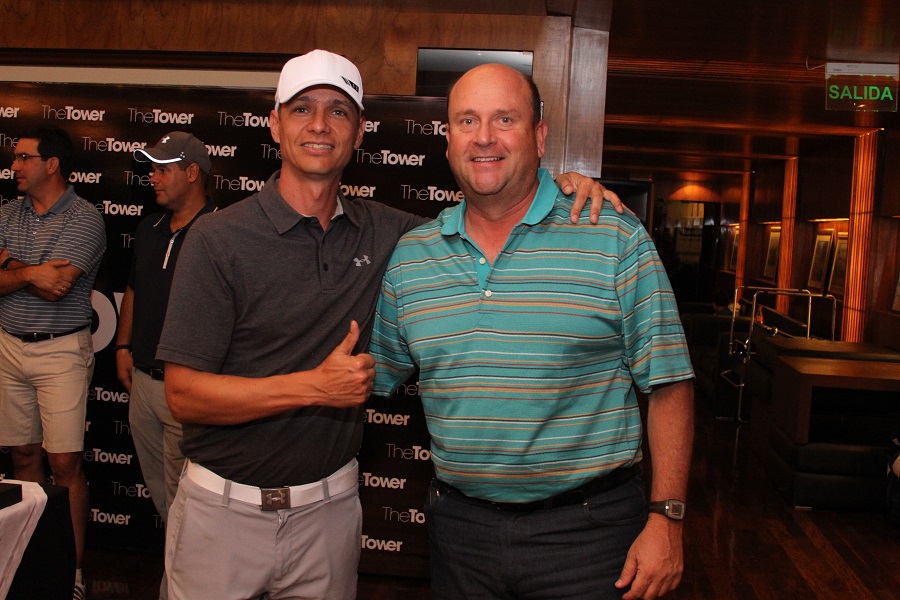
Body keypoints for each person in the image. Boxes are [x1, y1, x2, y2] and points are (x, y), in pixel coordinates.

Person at [155, 49, 619, 600]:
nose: (320, 125)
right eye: (302, 109)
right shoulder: (216, 240)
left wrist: (560, 186)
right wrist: (312, 388)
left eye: (338, 111)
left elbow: (489, 212)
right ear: (275, 125)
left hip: (328, 513)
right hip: (222, 511)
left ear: (360, 133)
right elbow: (183, 396)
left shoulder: (394, 236)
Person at [369, 63, 695, 600]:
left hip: (590, 537)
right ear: (448, 141)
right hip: (460, 537)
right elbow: (368, 375)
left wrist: (668, 518)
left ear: (540, 136)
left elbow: (670, 383)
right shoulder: (413, 257)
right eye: (467, 120)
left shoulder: (612, 236)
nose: (484, 137)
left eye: (505, 119)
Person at [0, 125, 107, 600]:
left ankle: (70, 574)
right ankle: (28, 567)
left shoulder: (84, 218)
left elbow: (58, 286)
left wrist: (10, 266)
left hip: (61, 349)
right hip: (8, 345)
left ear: (52, 164)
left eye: (23, 158)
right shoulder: (7, 213)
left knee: (64, 464)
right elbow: (39, 279)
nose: (14, 166)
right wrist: (32, 273)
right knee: (23, 457)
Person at [114, 131, 217, 599]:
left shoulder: (221, 231)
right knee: (165, 499)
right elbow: (134, 288)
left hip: (187, 389)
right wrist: (123, 345)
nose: (152, 177)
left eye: (162, 169)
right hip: (142, 382)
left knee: (187, 504)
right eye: (150, 169)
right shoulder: (148, 228)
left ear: (192, 173)